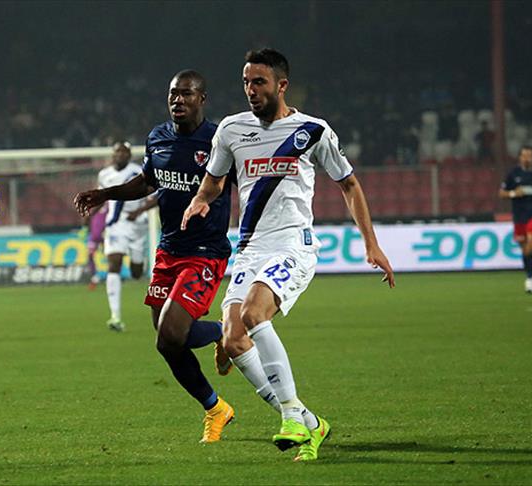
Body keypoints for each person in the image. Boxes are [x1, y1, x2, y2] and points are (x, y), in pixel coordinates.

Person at [182, 48, 395, 462]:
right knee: (233, 337)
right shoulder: (231, 129)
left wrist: (371, 243)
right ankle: (310, 422)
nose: (251, 90)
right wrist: (199, 200)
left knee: (253, 313)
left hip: (293, 243)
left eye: (259, 82)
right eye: (246, 82)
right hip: (249, 247)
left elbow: (349, 185)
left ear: (282, 85)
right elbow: (214, 181)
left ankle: (292, 415)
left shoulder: (312, 131)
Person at [74, 70, 236, 443]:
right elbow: (148, 182)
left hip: (205, 251)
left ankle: (227, 332)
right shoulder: (158, 136)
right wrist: (105, 194)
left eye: (186, 94)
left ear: (202, 99)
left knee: (172, 332)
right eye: (173, 94)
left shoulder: (219, 140)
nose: (178, 100)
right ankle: (216, 408)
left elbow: (243, 183)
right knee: (166, 342)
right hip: (169, 250)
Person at [96, 141, 150, 331]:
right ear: (112, 155)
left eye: (124, 152)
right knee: (114, 263)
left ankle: (139, 262)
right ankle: (115, 316)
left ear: (129, 155)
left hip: (137, 224)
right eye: (117, 152)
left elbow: (157, 196)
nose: (120, 155)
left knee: (136, 273)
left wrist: (140, 210)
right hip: (116, 224)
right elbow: (101, 198)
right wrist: (90, 214)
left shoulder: (140, 172)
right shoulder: (104, 175)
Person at [499, 145, 532, 293]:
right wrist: (513, 193)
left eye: (529, 156)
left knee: (531, 243)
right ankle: (530, 275)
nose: (526, 159)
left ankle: (529, 279)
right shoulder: (513, 174)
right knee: (524, 249)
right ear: (519, 157)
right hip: (519, 216)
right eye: (524, 155)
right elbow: (502, 193)